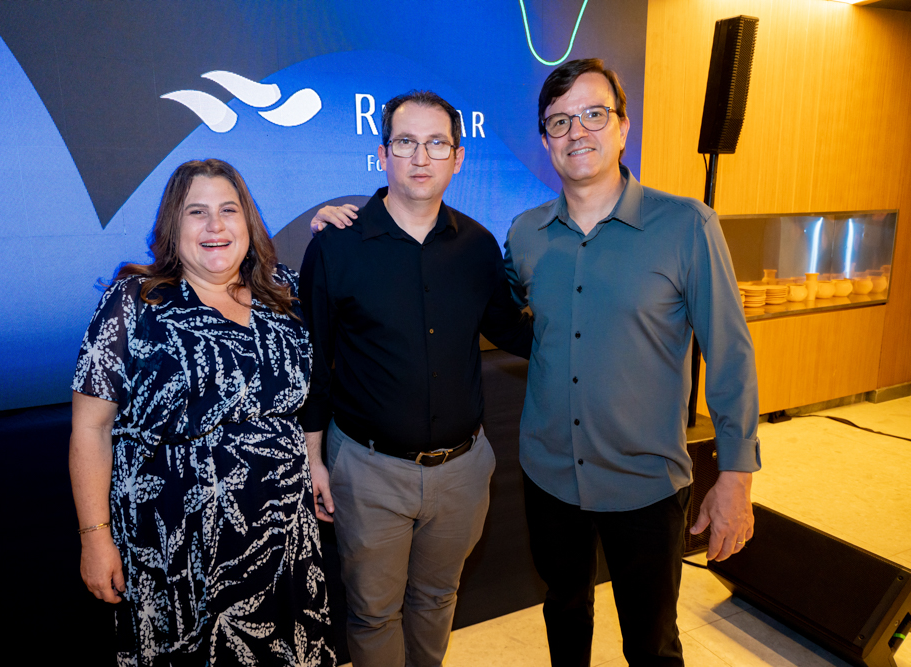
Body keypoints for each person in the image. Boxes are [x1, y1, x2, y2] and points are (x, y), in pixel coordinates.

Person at [504, 59, 761, 666]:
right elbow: (504, 308)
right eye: (560, 121)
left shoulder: (687, 226)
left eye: (594, 114)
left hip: (645, 483)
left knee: (651, 643)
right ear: (545, 141)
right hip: (549, 475)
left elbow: (730, 354)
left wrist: (736, 478)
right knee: (564, 613)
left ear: (623, 127)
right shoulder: (525, 234)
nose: (577, 131)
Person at [69, 158, 335, 666]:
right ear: (173, 225)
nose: (215, 225)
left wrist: (342, 228)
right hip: (175, 548)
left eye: (228, 210)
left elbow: (307, 398)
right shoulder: (135, 302)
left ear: (248, 222)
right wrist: (94, 538)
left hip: (284, 539)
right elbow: (90, 428)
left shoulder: (285, 292)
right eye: (197, 212)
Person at [299, 90, 532, 667]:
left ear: (458, 158)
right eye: (406, 143)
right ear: (383, 154)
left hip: (462, 471)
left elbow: (514, 331)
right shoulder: (336, 244)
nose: (421, 157)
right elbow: (313, 361)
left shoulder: (477, 246)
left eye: (436, 144)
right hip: (367, 471)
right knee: (373, 613)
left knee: (436, 598)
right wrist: (314, 459)